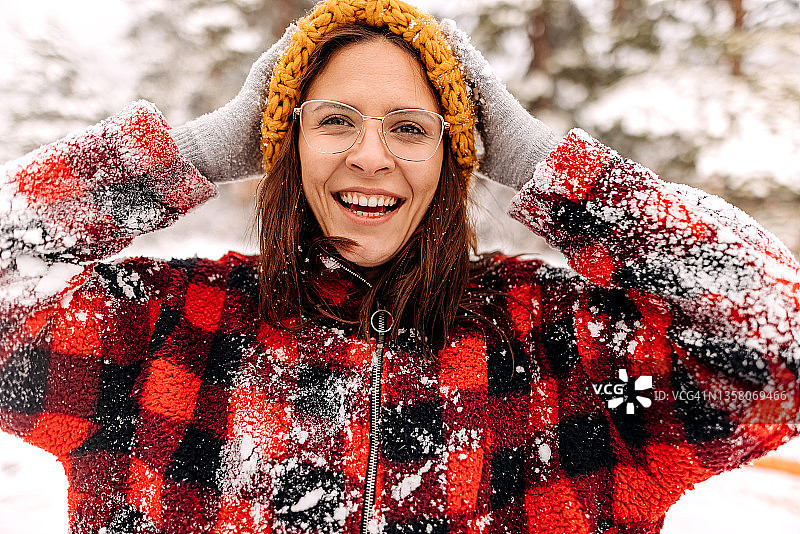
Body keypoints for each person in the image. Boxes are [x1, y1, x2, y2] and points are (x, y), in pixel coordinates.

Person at [1, 0, 798, 532]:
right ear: (285, 144)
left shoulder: (569, 353)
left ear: (453, 157)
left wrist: (549, 167)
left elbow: (780, 353)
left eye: (411, 128)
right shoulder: (159, 334)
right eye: (335, 121)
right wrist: (192, 154)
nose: (370, 156)